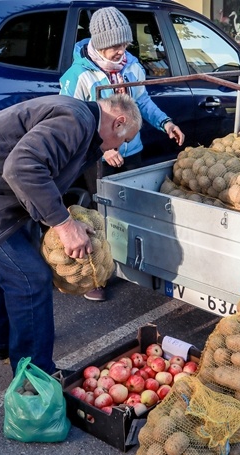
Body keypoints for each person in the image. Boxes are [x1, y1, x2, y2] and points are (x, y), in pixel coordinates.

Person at [0, 93, 142, 376]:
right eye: (124, 140)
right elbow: (22, 168)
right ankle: (36, 378)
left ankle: (5, 346)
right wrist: (63, 225)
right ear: (119, 122)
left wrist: (63, 217)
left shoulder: (80, 119)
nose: (120, 147)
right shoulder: (75, 120)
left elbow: (44, 171)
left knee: (16, 268)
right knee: (30, 277)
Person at [59, 7, 185, 302]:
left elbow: (143, 102)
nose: (121, 51)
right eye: (115, 45)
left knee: (130, 212)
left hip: (133, 152)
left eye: (125, 44)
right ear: (100, 42)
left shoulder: (132, 67)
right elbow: (68, 123)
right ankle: (93, 277)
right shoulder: (78, 76)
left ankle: (129, 264)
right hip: (96, 159)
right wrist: (104, 151)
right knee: (97, 217)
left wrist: (165, 122)